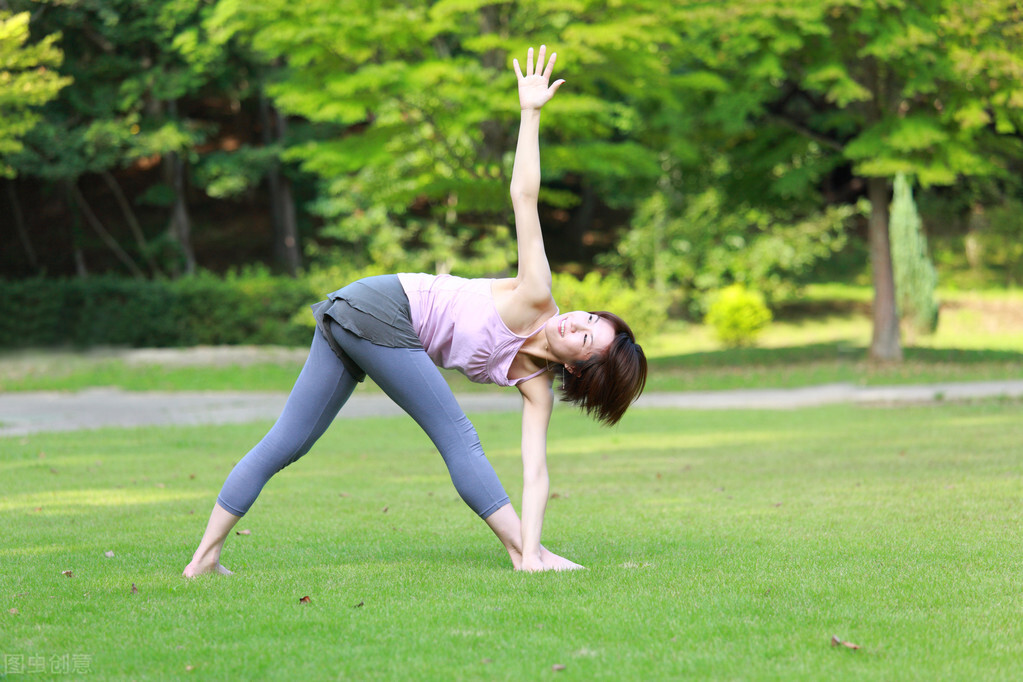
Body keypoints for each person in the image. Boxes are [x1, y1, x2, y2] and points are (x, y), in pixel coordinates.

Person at [182, 45, 647, 577]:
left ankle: (203, 561)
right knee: (458, 436)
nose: (575, 322)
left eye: (585, 339)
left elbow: (536, 471)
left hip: (359, 318)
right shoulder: (538, 294)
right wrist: (530, 113)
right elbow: (524, 195)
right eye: (588, 317)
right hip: (381, 308)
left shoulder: (536, 386)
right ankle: (525, 556)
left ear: (576, 368)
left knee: (290, 441)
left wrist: (537, 544)